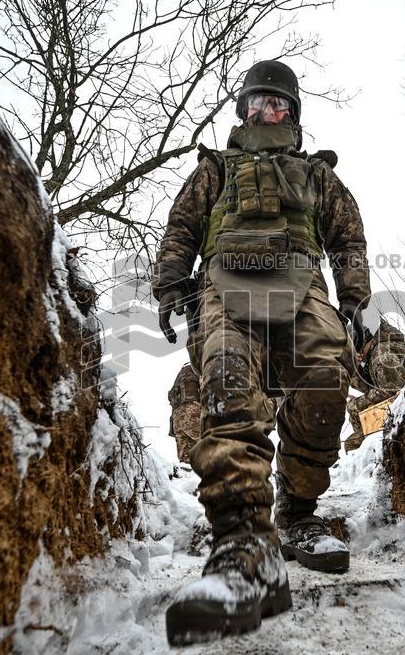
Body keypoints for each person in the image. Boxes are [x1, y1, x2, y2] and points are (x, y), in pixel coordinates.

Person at [151, 60, 371, 645]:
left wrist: (354, 299)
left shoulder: (317, 175)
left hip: (303, 285)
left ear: (292, 114)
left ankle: (297, 513)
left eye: (277, 103)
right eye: (257, 101)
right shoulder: (215, 170)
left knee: (326, 377)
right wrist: (170, 283)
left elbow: (348, 238)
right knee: (227, 384)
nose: (266, 110)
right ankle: (245, 549)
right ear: (244, 109)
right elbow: (181, 228)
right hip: (224, 285)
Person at [345, 317, 405, 452]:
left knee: (352, 443)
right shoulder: (376, 353)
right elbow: (373, 387)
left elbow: (392, 390)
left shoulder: (382, 352)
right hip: (404, 408)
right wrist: (354, 370)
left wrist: (357, 403)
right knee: (354, 414)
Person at [167, 362, 202, 463]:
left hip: (177, 421)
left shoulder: (181, 374)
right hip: (194, 416)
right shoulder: (199, 369)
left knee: (186, 459)